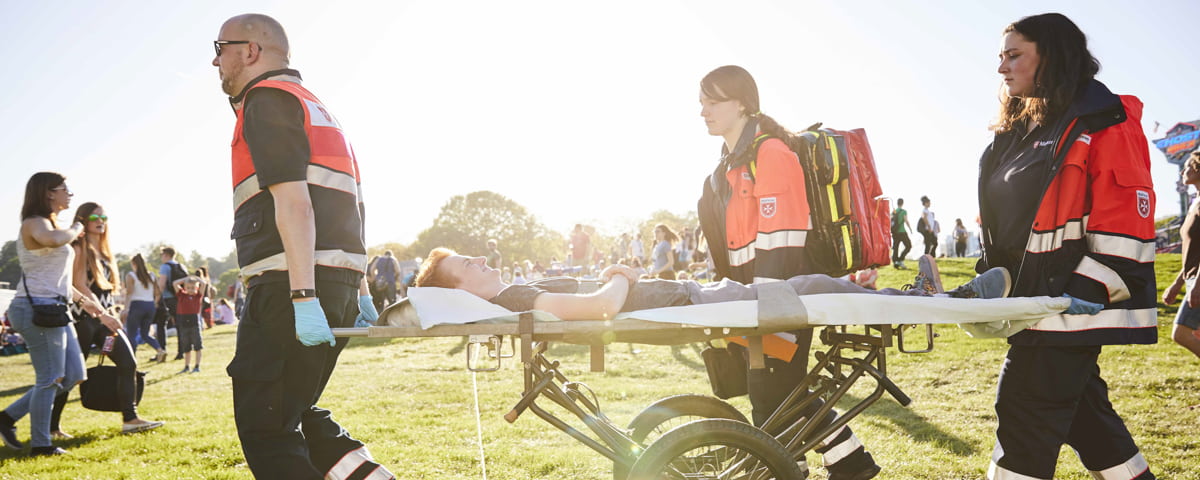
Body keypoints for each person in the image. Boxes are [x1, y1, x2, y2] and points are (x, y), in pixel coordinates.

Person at [977, 13, 1158, 479]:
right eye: (1001, 56)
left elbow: (1126, 225)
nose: (1002, 68)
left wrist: (1078, 294)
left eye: (1014, 55)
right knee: (1091, 424)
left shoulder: (1104, 120)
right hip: (1032, 302)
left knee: (1020, 416)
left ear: (1052, 55)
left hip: (1067, 305)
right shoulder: (1018, 132)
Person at [212, 14, 389, 480]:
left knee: (267, 428)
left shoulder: (265, 99)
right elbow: (352, 209)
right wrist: (362, 292)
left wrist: (302, 296)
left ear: (251, 50)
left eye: (220, 46)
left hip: (289, 286)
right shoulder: (316, 107)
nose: (215, 60)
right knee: (297, 412)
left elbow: (295, 204)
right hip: (336, 282)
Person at [415, 248, 1010, 320]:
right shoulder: (518, 298)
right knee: (806, 284)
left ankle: (876, 290)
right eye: (468, 264)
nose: (481, 260)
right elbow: (596, 309)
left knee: (810, 283)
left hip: (688, 294)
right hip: (689, 299)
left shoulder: (514, 293)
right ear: (463, 290)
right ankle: (939, 300)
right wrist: (619, 274)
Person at [0, 172, 100, 456]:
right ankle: (41, 444)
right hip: (36, 310)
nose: (69, 194)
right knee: (51, 377)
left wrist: (85, 301)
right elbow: (53, 240)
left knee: (72, 374)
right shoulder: (35, 223)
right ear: (48, 193)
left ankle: (6, 418)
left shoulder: (53, 225)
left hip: (57, 308)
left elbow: (59, 278)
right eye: (64, 189)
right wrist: (78, 226)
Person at [67, 202, 164, 436]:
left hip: (104, 318)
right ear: (83, 219)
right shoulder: (79, 247)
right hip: (83, 318)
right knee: (71, 374)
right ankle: (51, 427)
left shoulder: (104, 250)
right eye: (95, 216)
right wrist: (101, 314)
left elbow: (105, 289)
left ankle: (130, 418)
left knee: (128, 362)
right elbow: (78, 285)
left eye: (104, 216)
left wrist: (110, 313)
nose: (101, 220)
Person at [1161, 150, 1200, 360]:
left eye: (1186, 167)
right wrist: (1177, 284)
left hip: (1199, 281)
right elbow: (1193, 253)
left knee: (1181, 333)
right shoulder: (1195, 203)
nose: (1183, 172)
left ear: (1196, 168)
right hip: (1193, 279)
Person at [123, 253, 167, 362]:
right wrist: (154, 304)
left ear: (133, 264)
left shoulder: (131, 275)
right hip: (149, 306)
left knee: (131, 334)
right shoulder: (151, 275)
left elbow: (129, 293)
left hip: (136, 305)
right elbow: (157, 293)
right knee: (145, 334)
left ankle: (131, 359)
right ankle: (160, 349)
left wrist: (126, 309)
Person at [171, 275, 206, 373]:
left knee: (197, 346)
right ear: (184, 288)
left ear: (196, 288)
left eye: (193, 288)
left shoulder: (198, 296)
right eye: (188, 288)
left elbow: (204, 284)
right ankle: (186, 366)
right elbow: (174, 283)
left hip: (194, 322)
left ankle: (197, 366)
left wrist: (195, 278)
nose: (190, 290)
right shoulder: (181, 295)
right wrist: (186, 279)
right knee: (186, 347)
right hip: (183, 323)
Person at [157, 246, 186, 359]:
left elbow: (162, 284)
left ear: (166, 255)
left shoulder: (165, 267)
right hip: (179, 298)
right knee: (180, 325)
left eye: (162, 255)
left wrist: (157, 297)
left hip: (167, 299)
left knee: (161, 324)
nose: (161, 257)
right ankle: (181, 351)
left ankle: (162, 350)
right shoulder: (181, 266)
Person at [891, 198, 913, 268]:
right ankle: (900, 259)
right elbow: (906, 221)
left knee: (896, 247)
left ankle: (895, 262)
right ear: (902, 203)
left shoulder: (893, 211)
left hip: (894, 232)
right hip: (902, 232)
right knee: (908, 246)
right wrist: (910, 229)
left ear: (897, 203)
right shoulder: (904, 211)